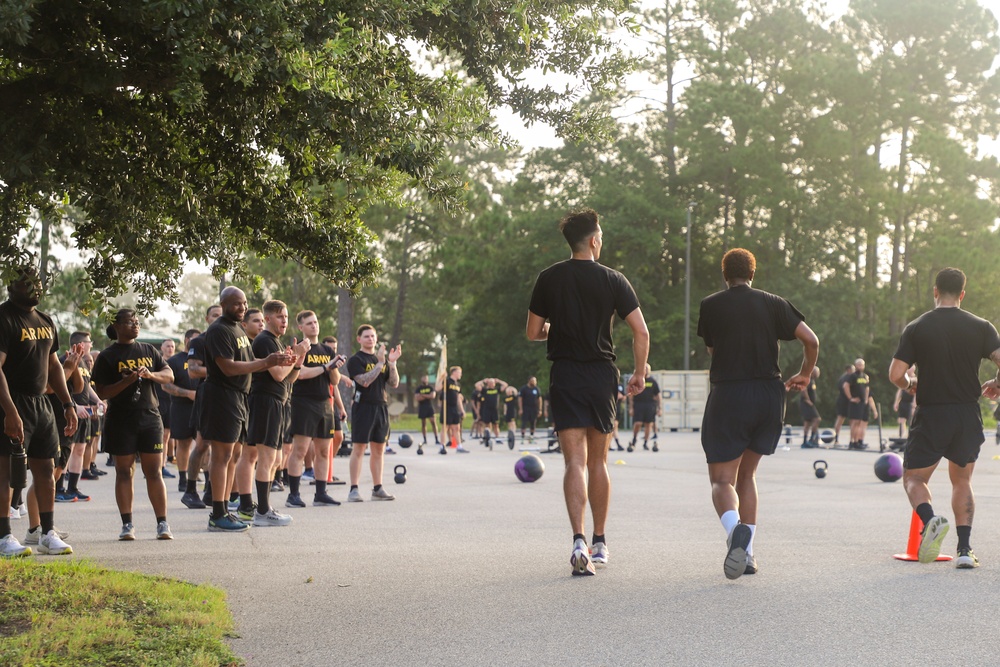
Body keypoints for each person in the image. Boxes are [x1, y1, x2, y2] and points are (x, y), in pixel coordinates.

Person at [526, 208, 650, 576]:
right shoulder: (614, 279)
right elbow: (641, 332)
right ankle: (599, 542)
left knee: (574, 462)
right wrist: (639, 373)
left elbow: (533, 332)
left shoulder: (548, 278)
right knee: (598, 461)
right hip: (600, 375)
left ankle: (577, 539)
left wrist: (557, 330)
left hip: (565, 373)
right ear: (594, 240)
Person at [697, 248, 818, 580]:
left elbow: (711, 349)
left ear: (726, 274)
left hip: (730, 393)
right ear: (753, 273)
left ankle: (736, 530)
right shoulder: (774, 302)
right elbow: (811, 340)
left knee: (723, 480)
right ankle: (747, 554)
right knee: (747, 476)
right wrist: (805, 374)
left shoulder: (711, 305)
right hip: (769, 396)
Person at [890, 268, 1000, 569]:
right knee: (962, 480)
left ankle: (930, 521)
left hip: (932, 413)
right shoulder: (981, 326)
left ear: (935, 291)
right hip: (966, 413)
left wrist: (911, 385)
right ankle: (965, 551)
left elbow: (895, 374)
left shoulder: (917, 327)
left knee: (913, 478)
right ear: (962, 294)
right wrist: (997, 383)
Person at [200, 287, 295, 532]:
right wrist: (266, 362)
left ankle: (229, 509)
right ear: (223, 304)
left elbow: (247, 364)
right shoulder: (219, 330)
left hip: (240, 398)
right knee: (221, 457)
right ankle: (217, 513)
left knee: (233, 457)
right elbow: (228, 367)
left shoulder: (238, 329)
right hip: (222, 396)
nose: (241, 308)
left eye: (243, 303)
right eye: (235, 304)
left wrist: (279, 362)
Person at [0, 268, 78, 557]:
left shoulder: (46, 321)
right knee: (7, 472)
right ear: (12, 284)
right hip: (11, 402)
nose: (35, 287)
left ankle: (46, 533)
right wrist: (9, 410)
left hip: (41, 405)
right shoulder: (4, 317)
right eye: (27, 282)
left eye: (37, 282)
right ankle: (4, 536)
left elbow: (55, 365)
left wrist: (68, 404)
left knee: (46, 470)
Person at [92, 309, 175, 540]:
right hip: (121, 419)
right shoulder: (107, 356)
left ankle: (162, 524)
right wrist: (126, 381)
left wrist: (150, 375)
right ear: (116, 326)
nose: (135, 325)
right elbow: (102, 391)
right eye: (130, 322)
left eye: (137, 322)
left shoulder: (148, 349)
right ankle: (127, 525)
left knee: (154, 471)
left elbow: (169, 375)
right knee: (123, 471)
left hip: (149, 417)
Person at [239, 300, 309, 526]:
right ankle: (261, 512)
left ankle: (265, 507)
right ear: (268, 319)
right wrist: (295, 355)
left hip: (279, 402)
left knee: (277, 458)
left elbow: (290, 378)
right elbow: (278, 374)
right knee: (267, 458)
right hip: (265, 402)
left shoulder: (277, 343)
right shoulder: (264, 341)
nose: (284, 321)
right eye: (280, 317)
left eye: (286, 317)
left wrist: (299, 358)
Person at [284, 310, 344, 508]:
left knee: (324, 451)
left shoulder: (327, 351)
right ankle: (293, 495)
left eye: (315, 322)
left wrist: (334, 366)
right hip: (303, 402)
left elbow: (334, 381)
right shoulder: (299, 349)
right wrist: (326, 368)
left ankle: (321, 493)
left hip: (324, 403)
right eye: (308, 323)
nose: (313, 326)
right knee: (300, 450)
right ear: (300, 327)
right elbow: (301, 374)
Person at [346, 325, 401, 502]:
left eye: (373, 336)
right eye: (366, 336)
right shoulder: (356, 360)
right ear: (359, 339)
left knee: (379, 449)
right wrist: (379, 363)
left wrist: (391, 363)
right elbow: (364, 382)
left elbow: (394, 383)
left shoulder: (382, 360)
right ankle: (354, 489)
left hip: (381, 406)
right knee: (359, 448)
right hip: (363, 407)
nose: (370, 339)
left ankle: (378, 488)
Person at [180, 304, 222, 509]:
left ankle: (212, 491)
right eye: (214, 315)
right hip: (207, 396)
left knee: (223, 448)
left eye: (221, 315)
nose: (218, 318)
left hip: (229, 396)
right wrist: (225, 368)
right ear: (207, 319)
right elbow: (193, 371)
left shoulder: (231, 338)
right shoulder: (200, 341)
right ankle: (190, 490)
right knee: (203, 444)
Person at [163, 329, 200, 493]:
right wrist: (187, 394)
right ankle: (183, 479)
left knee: (203, 444)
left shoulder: (204, 359)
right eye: (194, 340)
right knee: (183, 444)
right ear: (186, 340)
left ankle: (200, 477)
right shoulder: (175, 361)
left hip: (201, 407)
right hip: (181, 407)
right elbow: (165, 385)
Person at [157, 338, 177, 480]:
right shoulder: (158, 363)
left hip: (171, 402)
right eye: (167, 346)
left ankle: (162, 465)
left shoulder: (176, 363)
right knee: (158, 436)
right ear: (162, 348)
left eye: (172, 346)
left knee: (166, 436)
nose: (170, 348)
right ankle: (156, 466)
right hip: (158, 401)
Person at [628, 364, 660, 452]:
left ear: (649, 370)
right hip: (638, 405)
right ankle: (634, 439)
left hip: (650, 405)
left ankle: (645, 442)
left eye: (646, 369)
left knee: (648, 424)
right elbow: (631, 396)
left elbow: (658, 395)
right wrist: (631, 408)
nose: (645, 370)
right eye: (643, 369)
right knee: (638, 423)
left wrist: (659, 408)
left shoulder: (652, 381)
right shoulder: (637, 380)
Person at [437, 366, 466, 454]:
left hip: (455, 408)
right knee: (445, 427)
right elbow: (437, 388)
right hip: (447, 407)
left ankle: (459, 446)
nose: (460, 374)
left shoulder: (457, 384)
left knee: (456, 427)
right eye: (459, 372)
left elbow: (458, 398)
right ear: (454, 372)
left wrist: (462, 410)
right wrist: (442, 378)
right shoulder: (447, 381)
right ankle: (442, 446)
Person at [845, 358, 871, 450]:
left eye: (862, 365)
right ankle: (852, 442)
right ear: (855, 366)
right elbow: (846, 386)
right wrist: (851, 398)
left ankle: (857, 442)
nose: (860, 366)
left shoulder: (865, 376)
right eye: (859, 364)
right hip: (855, 403)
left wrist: (866, 399)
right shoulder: (852, 376)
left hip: (862, 403)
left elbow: (867, 388)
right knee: (854, 422)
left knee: (859, 423)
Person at [477, 377, 509, 442]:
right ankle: (487, 437)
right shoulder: (485, 390)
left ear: (494, 384)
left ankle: (498, 438)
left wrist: (499, 381)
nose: (491, 384)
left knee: (496, 425)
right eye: (490, 383)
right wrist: (483, 380)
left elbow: (505, 385)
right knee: (487, 424)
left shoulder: (497, 390)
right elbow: (476, 385)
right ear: (488, 384)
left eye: (493, 383)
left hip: (495, 410)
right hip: (487, 410)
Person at [414, 374, 439, 452]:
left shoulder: (430, 387)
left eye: (426, 378)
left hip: (429, 407)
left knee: (433, 422)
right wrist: (427, 396)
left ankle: (436, 439)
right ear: (421, 379)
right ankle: (425, 439)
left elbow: (432, 396)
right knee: (423, 423)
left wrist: (423, 395)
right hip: (422, 407)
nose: (425, 379)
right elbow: (417, 398)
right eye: (423, 378)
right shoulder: (418, 388)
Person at [832, 364, 854, 446]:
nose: (854, 371)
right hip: (845, 400)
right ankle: (849, 440)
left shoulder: (842, 377)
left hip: (841, 399)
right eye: (853, 369)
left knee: (840, 419)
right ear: (848, 370)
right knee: (845, 420)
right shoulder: (847, 378)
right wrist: (851, 398)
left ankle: (836, 439)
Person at [800, 367, 821, 448]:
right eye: (817, 372)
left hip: (808, 404)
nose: (818, 374)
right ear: (812, 372)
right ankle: (811, 439)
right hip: (806, 403)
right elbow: (803, 389)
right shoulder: (808, 379)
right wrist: (807, 400)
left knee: (807, 422)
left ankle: (805, 442)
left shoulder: (812, 380)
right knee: (817, 419)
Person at [893, 371, 916, 438]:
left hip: (910, 403)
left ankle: (910, 436)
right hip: (903, 402)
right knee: (901, 420)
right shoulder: (904, 378)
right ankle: (901, 436)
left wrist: (914, 405)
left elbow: (915, 394)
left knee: (911, 421)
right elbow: (899, 391)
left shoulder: (914, 379)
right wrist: (896, 402)